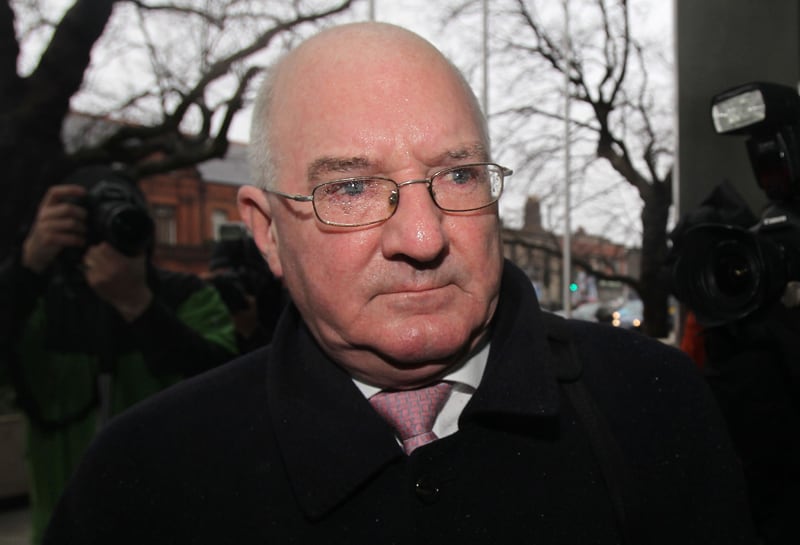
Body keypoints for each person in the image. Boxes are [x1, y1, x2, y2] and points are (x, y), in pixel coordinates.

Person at [43, 22, 756, 544]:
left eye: (458, 175)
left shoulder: (654, 403)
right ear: (267, 233)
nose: (422, 237)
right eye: (351, 187)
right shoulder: (142, 478)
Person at [0, 167, 238, 544]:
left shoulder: (186, 295)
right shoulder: (39, 301)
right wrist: (27, 266)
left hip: (174, 521)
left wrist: (139, 305)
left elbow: (228, 388)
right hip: (63, 525)